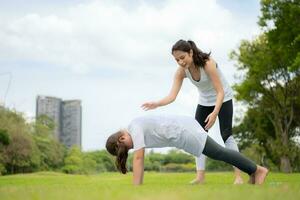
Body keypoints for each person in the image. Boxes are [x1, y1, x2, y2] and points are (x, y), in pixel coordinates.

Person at [141, 39, 242, 184]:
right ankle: (200, 177)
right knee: (198, 137)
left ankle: (238, 177)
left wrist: (214, 113)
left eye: (182, 58)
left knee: (227, 135)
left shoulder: (208, 64)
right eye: (177, 60)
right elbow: (172, 96)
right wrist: (156, 103)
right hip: (204, 102)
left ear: (191, 52)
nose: (181, 62)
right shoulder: (181, 72)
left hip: (223, 98)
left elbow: (220, 92)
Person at [106, 115, 268, 185]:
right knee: (219, 153)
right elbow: (139, 157)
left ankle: (257, 170)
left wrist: (136, 188)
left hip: (184, 130)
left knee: (219, 152)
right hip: (182, 133)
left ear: (121, 138)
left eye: (127, 146)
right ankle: (253, 172)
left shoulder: (134, 127)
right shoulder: (134, 128)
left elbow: (139, 158)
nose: (132, 147)